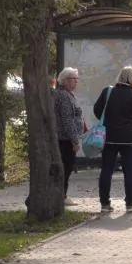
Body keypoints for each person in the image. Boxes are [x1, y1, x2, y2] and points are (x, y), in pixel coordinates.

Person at [93, 65, 132, 213]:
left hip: (109, 137)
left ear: (120, 77)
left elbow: (97, 109)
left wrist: (108, 121)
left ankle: (105, 203)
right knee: (129, 171)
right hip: (130, 139)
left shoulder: (107, 92)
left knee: (107, 170)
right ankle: (130, 204)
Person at [54, 67, 85, 205]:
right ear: (65, 81)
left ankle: (61, 196)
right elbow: (68, 121)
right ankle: (62, 197)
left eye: (77, 79)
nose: (76, 81)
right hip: (65, 140)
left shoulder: (65, 94)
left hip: (64, 139)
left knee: (65, 169)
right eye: (74, 79)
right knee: (65, 169)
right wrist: (75, 141)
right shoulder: (64, 96)